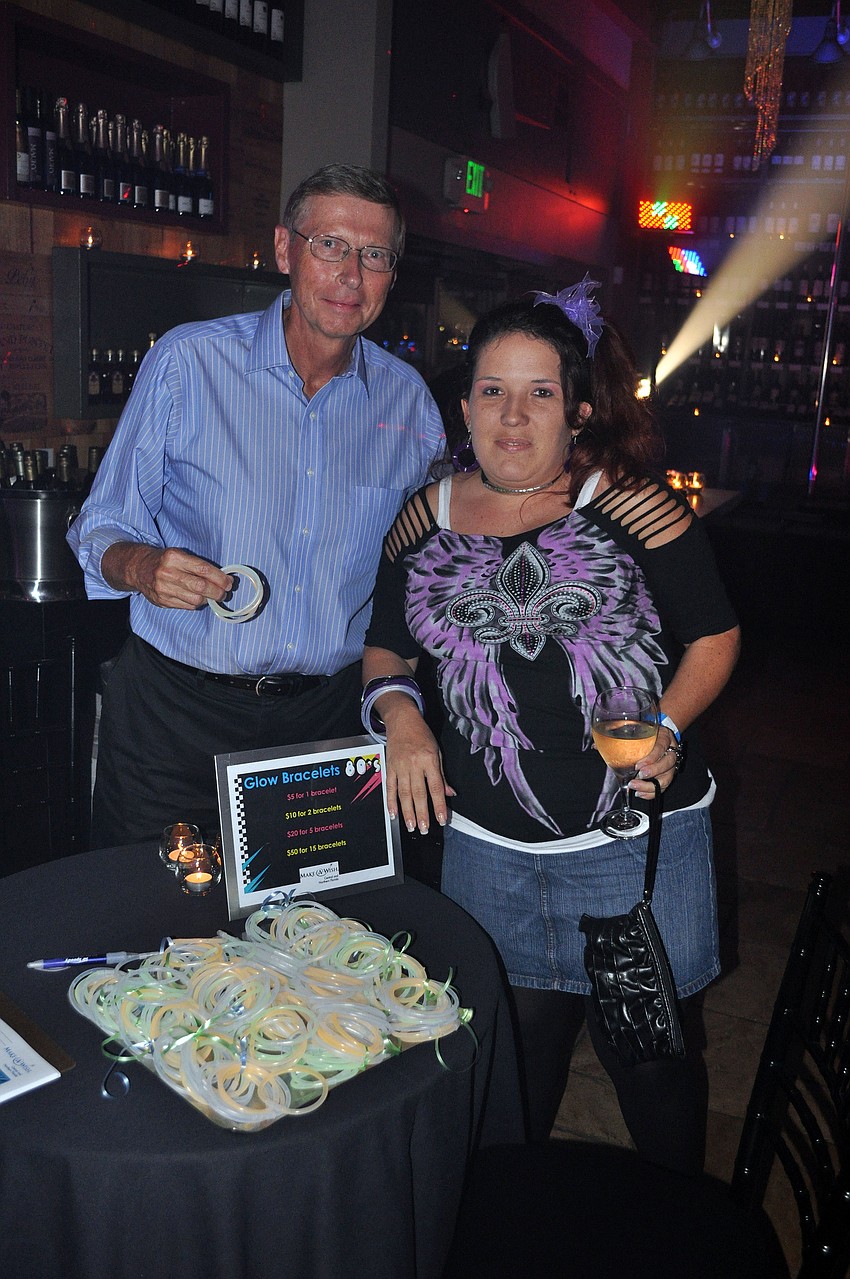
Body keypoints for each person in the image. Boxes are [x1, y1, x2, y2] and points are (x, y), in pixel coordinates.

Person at [361, 280, 741, 1172]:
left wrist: (667, 725)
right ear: (464, 407)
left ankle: (673, 1227)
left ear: (576, 411)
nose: (514, 416)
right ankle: (516, 1223)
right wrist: (403, 720)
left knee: (651, 1062)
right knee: (515, 1067)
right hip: (487, 852)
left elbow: (717, 637)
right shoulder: (423, 519)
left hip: (630, 843)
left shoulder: (635, 508)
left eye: (539, 393)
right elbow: (385, 654)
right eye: (493, 390)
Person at [68, 163, 445, 849]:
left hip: (327, 722)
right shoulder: (189, 364)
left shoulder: (410, 405)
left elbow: (421, 575)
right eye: (329, 244)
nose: (350, 275)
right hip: (176, 718)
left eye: (375, 255)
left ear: (393, 274)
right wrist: (143, 564)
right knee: (158, 926)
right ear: (284, 250)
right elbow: (101, 524)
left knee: (312, 937)